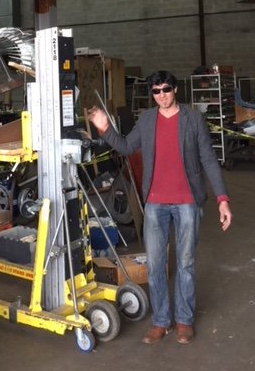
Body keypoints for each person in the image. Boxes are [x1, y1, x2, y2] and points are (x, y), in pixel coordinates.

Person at [88, 70, 232, 345]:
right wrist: (105, 128)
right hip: (155, 203)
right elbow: (126, 146)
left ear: (175, 89)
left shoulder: (193, 119)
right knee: (155, 265)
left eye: (166, 89)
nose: (162, 95)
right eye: (156, 91)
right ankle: (161, 321)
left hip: (187, 201)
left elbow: (208, 160)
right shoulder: (147, 119)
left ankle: (184, 321)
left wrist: (222, 199)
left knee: (186, 263)